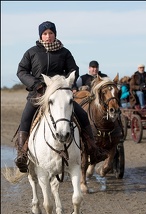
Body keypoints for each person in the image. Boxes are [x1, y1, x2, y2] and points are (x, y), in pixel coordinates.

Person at [15, 21, 107, 173]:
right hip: (39, 93)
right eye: (45, 34)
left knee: (82, 114)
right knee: (25, 118)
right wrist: (36, 84)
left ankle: (93, 150)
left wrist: (62, 82)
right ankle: (22, 154)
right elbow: (21, 71)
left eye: (51, 33)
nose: (48, 36)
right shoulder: (31, 52)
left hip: (61, 94)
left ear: (55, 34)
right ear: (40, 36)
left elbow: (73, 69)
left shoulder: (64, 52)